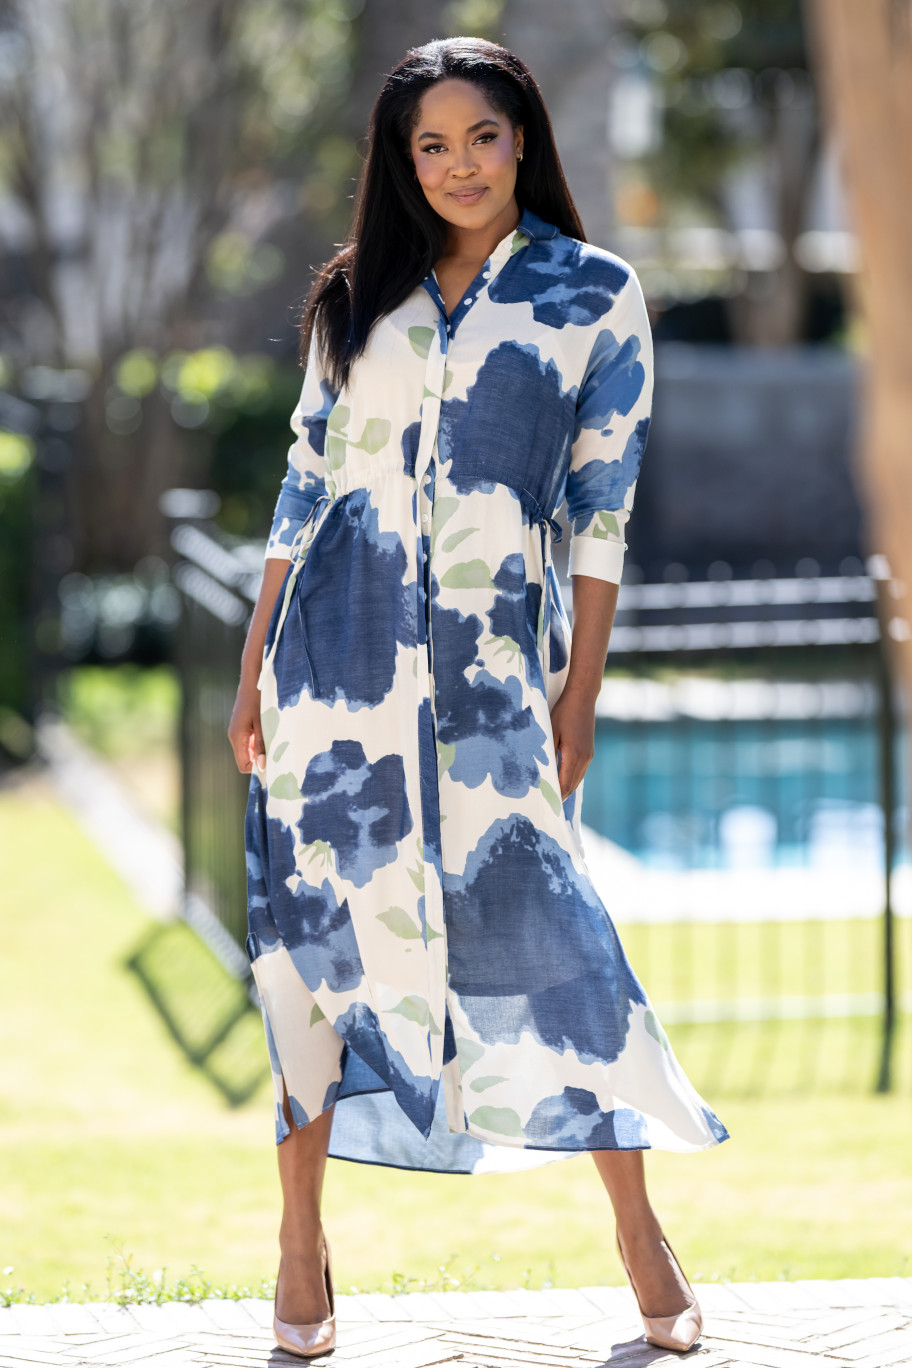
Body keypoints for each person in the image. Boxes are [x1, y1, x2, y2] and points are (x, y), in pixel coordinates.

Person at [228, 35, 729, 1360]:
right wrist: (252, 668)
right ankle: (299, 1243)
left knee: (557, 935)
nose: (459, 166)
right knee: (311, 955)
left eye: (482, 137)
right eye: (431, 146)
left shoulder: (592, 296)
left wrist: (582, 694)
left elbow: (601, 512)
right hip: (329, 673)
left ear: (524, 141)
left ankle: (637, 1232)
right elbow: (302, 486)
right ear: (402, 164)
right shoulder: (357, 297)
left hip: (493, 672)